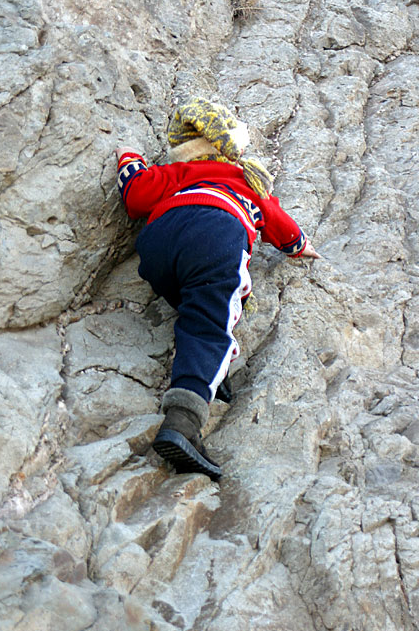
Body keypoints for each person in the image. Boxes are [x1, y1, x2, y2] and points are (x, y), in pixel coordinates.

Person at [115, 98, 320, 481]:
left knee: (194, 301)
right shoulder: (245, 181)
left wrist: (129, 159)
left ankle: (211, 367)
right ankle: (184, 420)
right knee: (210, 321)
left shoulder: (176, 173)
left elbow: (135, 194)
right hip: (217, 231)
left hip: (159, 244)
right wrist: (300, 245)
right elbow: (280, 226)